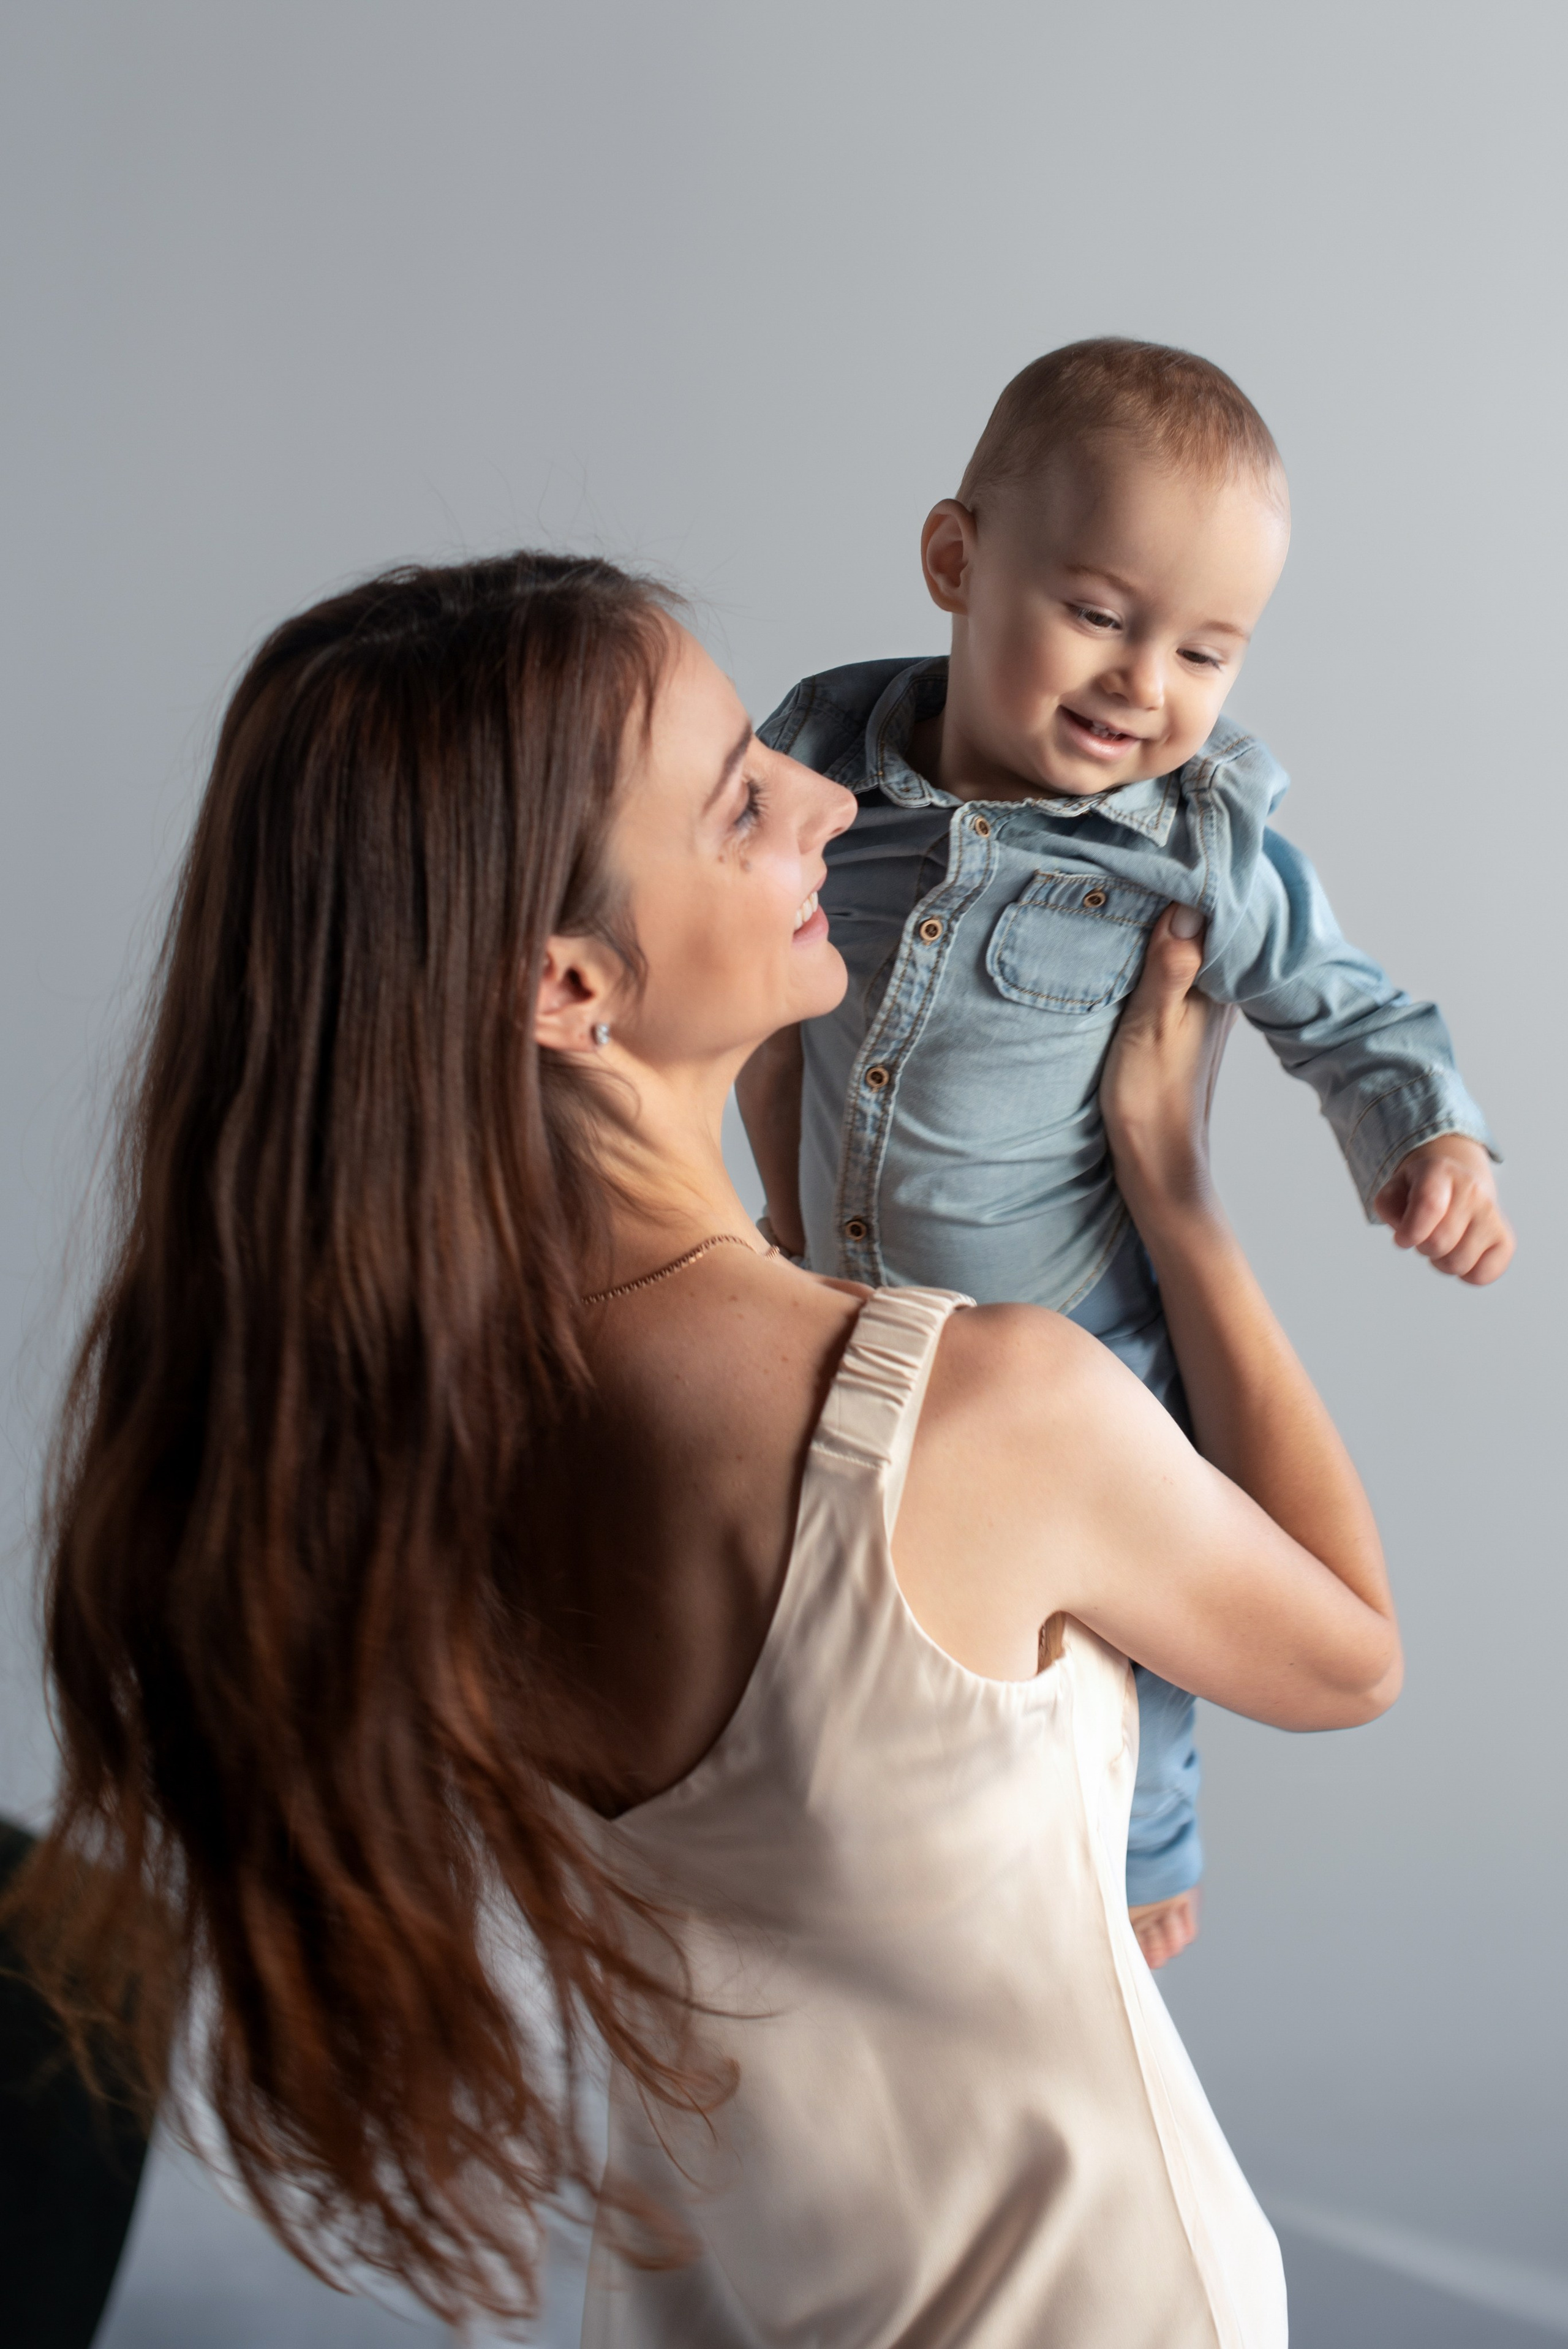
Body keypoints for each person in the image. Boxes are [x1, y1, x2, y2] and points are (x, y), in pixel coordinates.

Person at [6, 552, 1400, 2345]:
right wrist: (1178, 1189)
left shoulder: (388, 1450)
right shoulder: (974, 1412)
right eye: (745, 794)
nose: (834, 792)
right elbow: (1348, 1648)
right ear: (572, 987)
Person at [737, 337, 1510, 1969]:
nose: (1141, 684)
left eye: (1205, 651)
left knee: (1120, 1586)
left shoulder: (1192, 848)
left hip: (1072, 1325)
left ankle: (1150, 1826)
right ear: (957, 561)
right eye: (1098, 612)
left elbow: (1351, 1009)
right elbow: (728, 937)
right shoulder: (821, 744)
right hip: (839, 1296)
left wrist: (1428, 1143)